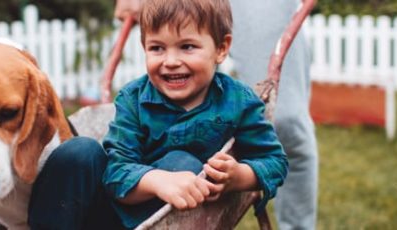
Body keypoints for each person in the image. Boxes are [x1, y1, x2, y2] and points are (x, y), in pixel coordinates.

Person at [114, 0, 319, 229]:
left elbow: (275, 162)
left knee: (286, 121)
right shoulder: (132, 100)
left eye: (187, 47)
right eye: (156, 48)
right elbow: (116, 166)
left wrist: (239, 176)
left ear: (222, 49)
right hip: (140, 194)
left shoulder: (240, 101)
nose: (171, 62)